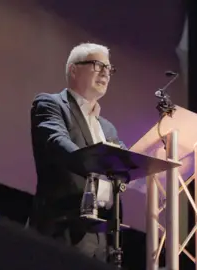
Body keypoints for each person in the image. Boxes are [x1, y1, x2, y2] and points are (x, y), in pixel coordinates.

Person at [30, 43, 126, 262]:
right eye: (97, 64)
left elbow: (124, 164)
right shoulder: (51, 104)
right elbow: (58, 143)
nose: (105, 72)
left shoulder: (108, 128)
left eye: (109, 68)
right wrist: (100, 164)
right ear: (74, 69)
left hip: (103, 238)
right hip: (63, 230)